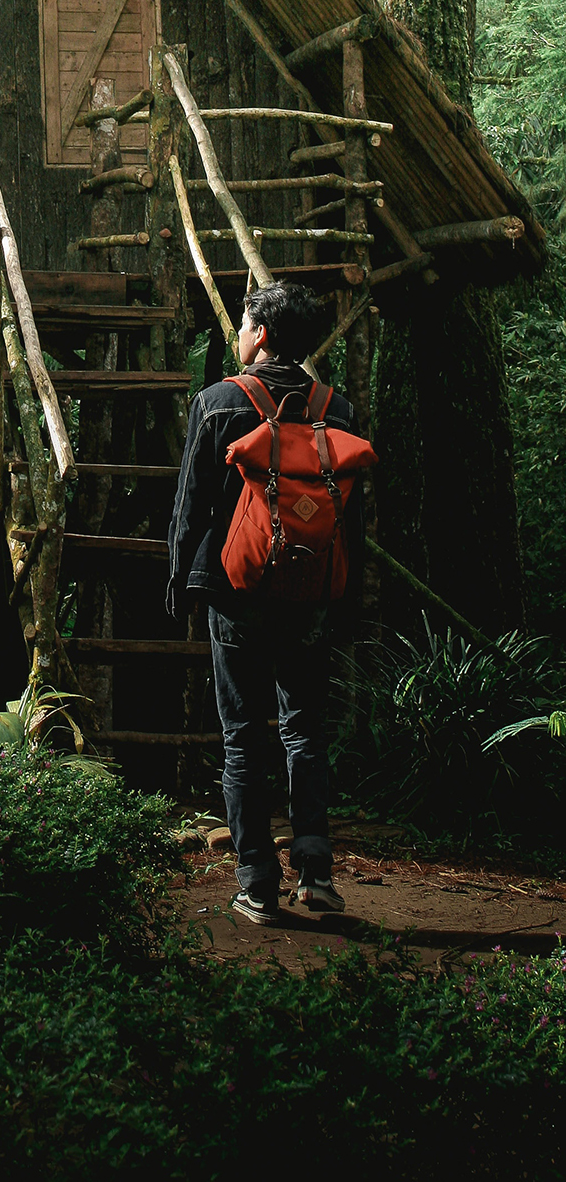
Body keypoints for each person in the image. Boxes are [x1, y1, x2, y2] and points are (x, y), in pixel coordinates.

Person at [168, 281, 364, 925]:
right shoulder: (339, 411)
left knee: (243, 739)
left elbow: (192, 506)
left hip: (237, 595)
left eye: (246, 322)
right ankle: (317, 876)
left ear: (264, 335)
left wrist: (180, 577)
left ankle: (256, 881)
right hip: (310, 597)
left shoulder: (219, 402)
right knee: (305, 729)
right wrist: (344, 594)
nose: (241, 333)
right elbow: (348, 520)